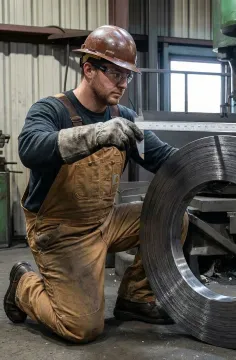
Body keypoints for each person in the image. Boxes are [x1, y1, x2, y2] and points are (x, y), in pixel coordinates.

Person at [3, 25, 189, 343]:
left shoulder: (123, 117)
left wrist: (215, 164)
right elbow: (31, 148)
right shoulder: (52, 110)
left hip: (107, 222)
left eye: (127, 76)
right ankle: (23, 285)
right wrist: (96, 134)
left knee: (174, 215)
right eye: (115, 73)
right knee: (82, 328)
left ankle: (135, 298)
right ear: (89, 69)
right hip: (62, 233)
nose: (123, 83)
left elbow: (162, 157)